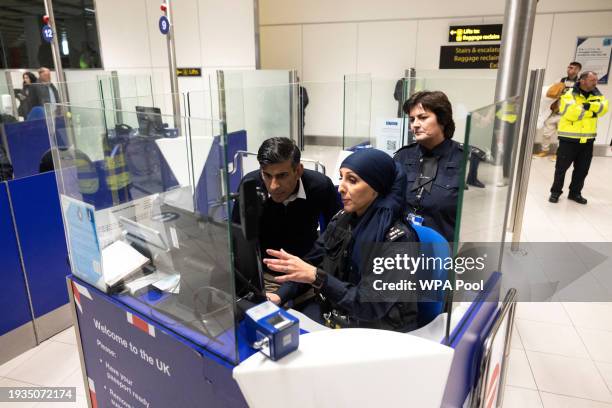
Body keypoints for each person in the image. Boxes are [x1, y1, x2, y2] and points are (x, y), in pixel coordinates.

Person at [263, 148, 419, 332]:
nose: (341, 188)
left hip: (377, 329)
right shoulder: (342, 219)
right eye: (341, 178)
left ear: (377, 188)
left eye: (352, 180)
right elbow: (311, 262)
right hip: (336, 314)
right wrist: (280, 295)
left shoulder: (399, 240)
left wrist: (317, 277)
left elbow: (369, 307)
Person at [232, 137, 341, 297]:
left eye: (282, 176)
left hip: (307, 274)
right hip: (263, 277)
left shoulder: (321, 186)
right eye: (267, 175)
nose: (274, 186)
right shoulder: (250, 184)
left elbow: (335, 234)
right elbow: (237, 236)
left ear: (298, 171)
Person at [394, 91, 463, 243]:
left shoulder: (464, 159)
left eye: (423, 117)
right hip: (403, 244)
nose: (415, 125)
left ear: (442, 120)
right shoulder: (402, 157)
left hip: (444, 248)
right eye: (412, 119)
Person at [549, 71, 608, 204]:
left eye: (596, 80)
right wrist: (592, 112)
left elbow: (604, 108)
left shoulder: (598, 95)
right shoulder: (569, 94)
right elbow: (570, 112)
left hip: (588, 140)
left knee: (582, 170)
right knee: (561, 168)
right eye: (592, 80)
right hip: (568, 139)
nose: (595, 82)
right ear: (582, 80)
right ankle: (555, 192)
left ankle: (575, 193)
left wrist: (589, 106)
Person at [536, 61, 581, 159]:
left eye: (572, 68)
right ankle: (544, 151)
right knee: (546, 133)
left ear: (578, 70)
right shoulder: (560, 80)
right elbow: (551, 93)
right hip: (555, 112)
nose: (569, 69)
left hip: (567, 115)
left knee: (562, 136)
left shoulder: (580, 83)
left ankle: (558, 154)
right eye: (568, 67)